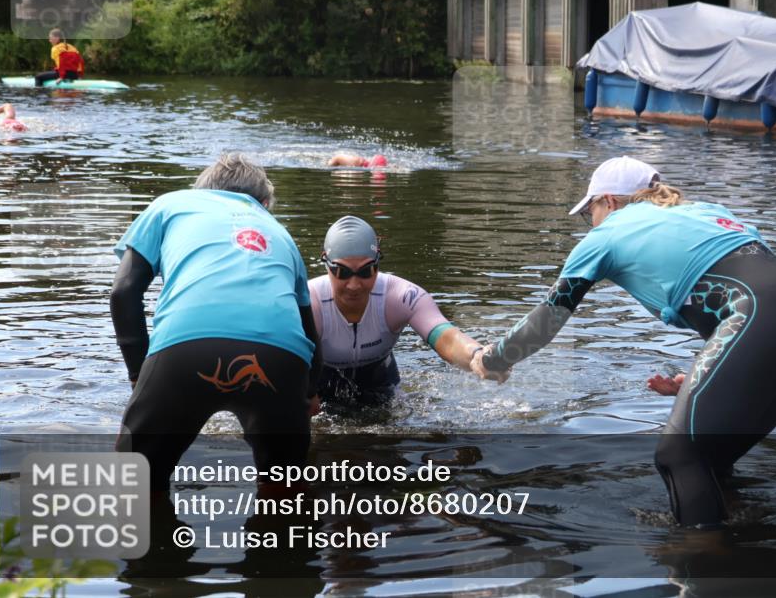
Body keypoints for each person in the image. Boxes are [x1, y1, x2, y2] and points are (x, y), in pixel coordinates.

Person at [471, 156, 776, 528]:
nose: (590, 222)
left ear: (608, 202)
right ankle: (744, 542)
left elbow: (549, 317)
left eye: (589, 212)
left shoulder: (606, 234)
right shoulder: (707, 210)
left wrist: (494, 359)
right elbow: (755, 290)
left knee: (678, 455)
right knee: (710, 457)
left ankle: (701, 562)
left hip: (761, 318)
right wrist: (710, 379)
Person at [111, 153, 321, 491]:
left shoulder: (171, 204)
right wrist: (309, 391)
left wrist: (140, 372)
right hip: (281, 358)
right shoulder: (280, 233)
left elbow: (123, 292)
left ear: (200, 190)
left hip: (186, 349)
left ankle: (156, 540)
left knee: (131, 485)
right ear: (265, 203)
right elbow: (309, 330)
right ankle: (283, 539)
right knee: (285, 493)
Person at [310, 215, 495, 407]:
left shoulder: (399, 296)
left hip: (381, 383)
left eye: (366, 271)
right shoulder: (309, 302)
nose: (354, 285)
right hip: (318, 387)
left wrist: (476, 355)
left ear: (377, 263)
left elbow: (446, 337)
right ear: (326, 264)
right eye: (342, 272)